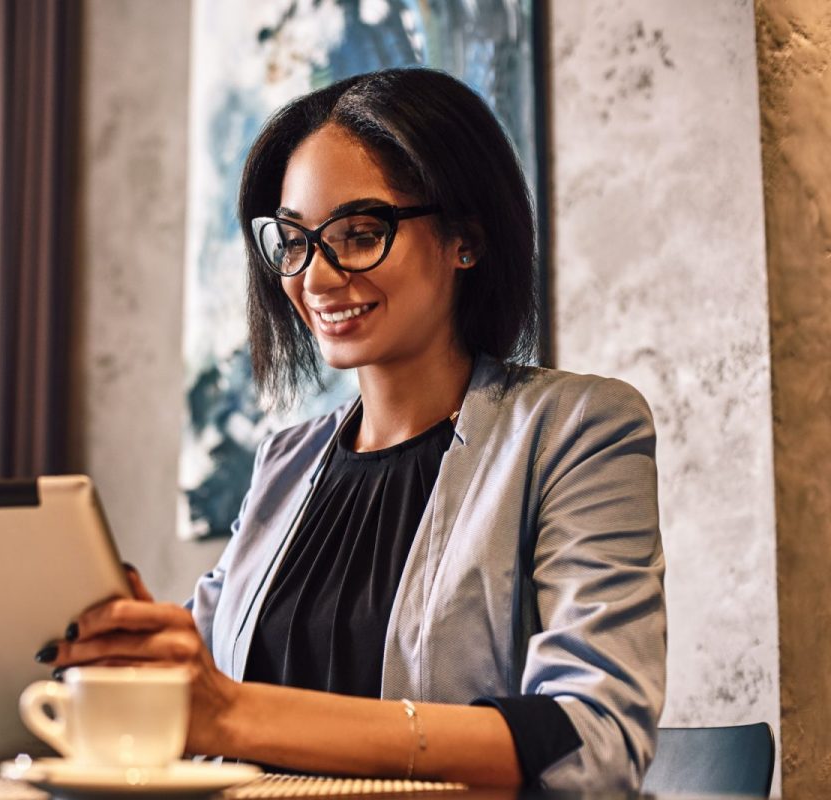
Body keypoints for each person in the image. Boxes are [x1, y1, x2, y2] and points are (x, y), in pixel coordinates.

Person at [36, 68, 666, 791]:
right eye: (295, 241)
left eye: (361, 233)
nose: (318, 276)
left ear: (465, 237)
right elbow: (201, 682)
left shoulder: (578, 430)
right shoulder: (286, 459)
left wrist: (233, 712)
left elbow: (593, 739)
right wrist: (131, 646)